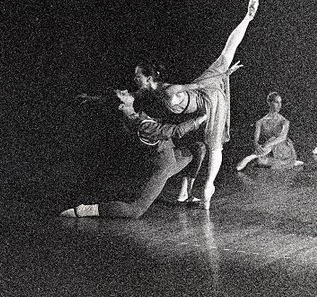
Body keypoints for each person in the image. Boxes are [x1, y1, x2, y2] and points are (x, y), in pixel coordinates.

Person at [133, 0, 260, 209]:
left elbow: (198, 86)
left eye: (138, 76)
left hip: (207, 97)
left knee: (214, 146)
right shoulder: (151, 93)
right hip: (199, 96)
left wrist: (223, 74)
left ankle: (207, 187)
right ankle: (192, 191)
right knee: (204, 147)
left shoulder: (168, 91)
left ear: (148, 78)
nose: (135, 79)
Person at [60, 89, 207, 218]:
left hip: (171, 159)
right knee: (135, 210)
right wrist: (201, 119)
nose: (126, 90)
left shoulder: (136, 116)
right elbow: (176, 131)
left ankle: (184, 194)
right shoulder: (142, 126)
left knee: (198, 148)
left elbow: (132, 95)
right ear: (122, 106)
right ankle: (85, 210)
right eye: (123, 94)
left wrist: (91, 98)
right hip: (162, 168)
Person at [236, 92, 302, 171]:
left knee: (273, 139)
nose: (279, 105)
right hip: (268, 150)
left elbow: (282, 137)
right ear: (269, 103)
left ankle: (250, 157)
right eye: (276, 102)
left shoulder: (284, 121)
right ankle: (283, 162)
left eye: (280, 102)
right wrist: (256, 145)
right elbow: (256, 139)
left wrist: (268, 144)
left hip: (283, 149)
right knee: (262, 160)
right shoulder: (260, 121)